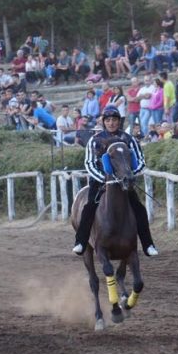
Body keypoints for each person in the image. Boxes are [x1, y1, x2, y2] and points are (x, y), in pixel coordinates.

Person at [72, 106, 158, 257]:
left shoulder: (129, 139)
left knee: (139, 208)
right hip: (100, 181)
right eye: (108, 120)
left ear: (119, 121)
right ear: (104, 122)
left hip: (125, 181)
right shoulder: (95, 140)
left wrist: (130, 175)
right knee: (89, 206)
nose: (111, 123)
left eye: (114, 120)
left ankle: (148, 244)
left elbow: (141, 162)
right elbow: (89, 163)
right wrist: (104, 179)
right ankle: (81, 241)